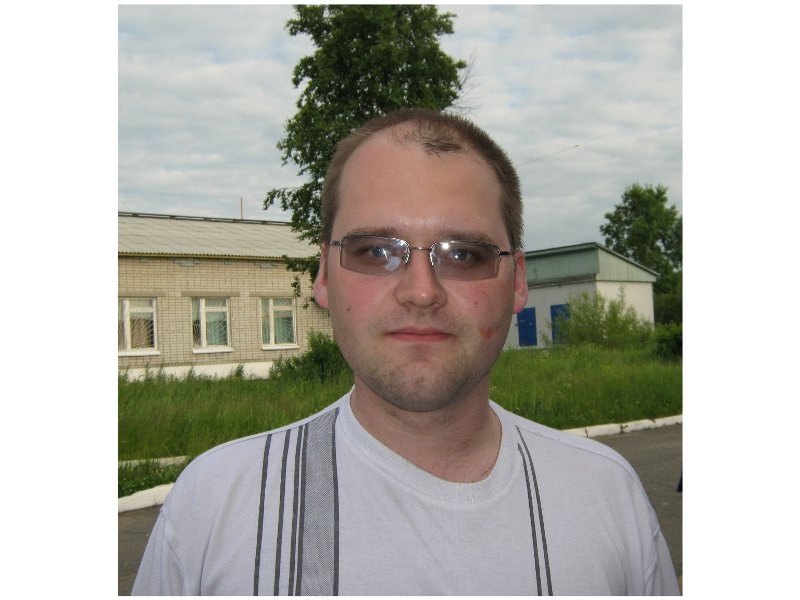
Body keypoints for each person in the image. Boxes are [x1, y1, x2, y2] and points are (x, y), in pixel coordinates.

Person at [132, 108, 679, 595]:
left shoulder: (606, 495)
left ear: (517, 282)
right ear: (325, 276)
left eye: (463, 255)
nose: (421, 291)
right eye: (376, 251)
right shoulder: (216, 507)